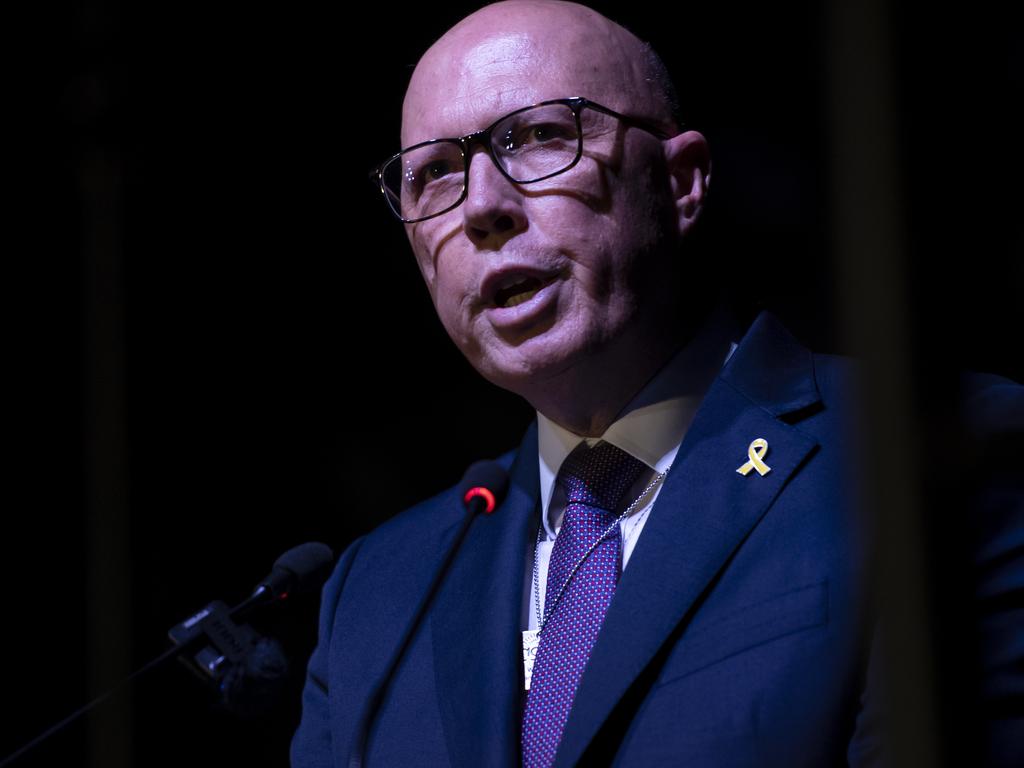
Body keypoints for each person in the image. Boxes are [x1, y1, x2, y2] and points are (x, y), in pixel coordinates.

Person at [292, 1, 1019, 766]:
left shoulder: (927, 453)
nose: (481, 208)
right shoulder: (377, 596)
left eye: (540, 136)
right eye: (433, 173)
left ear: (681, 182)